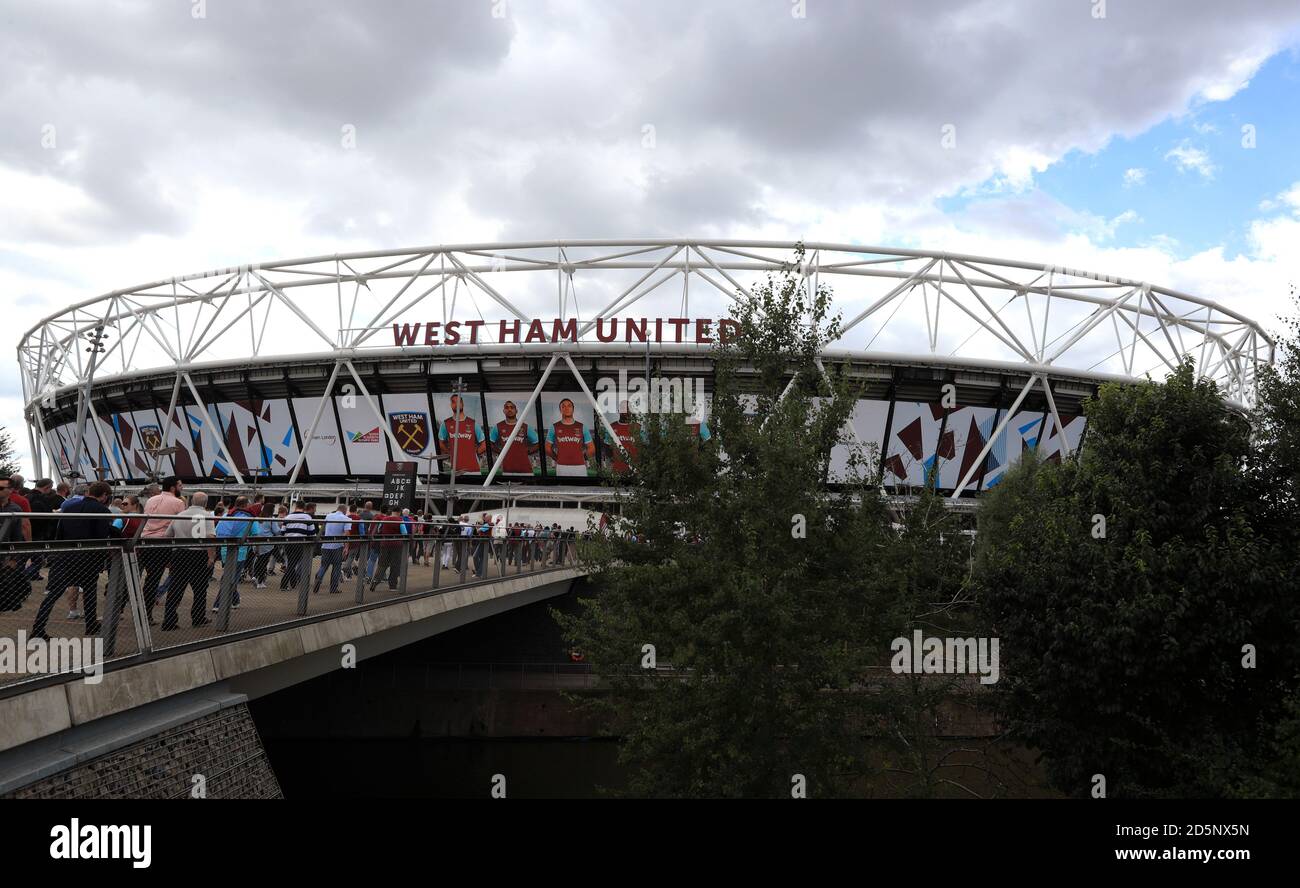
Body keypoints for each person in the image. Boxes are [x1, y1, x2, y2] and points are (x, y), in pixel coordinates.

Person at [31, 481, 113, 639]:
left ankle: (38, 628)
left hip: (66, 557)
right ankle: (90, 625)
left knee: (53, 595)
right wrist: (101, 559)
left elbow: (59, 533)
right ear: (104, 496)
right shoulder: (102, 510)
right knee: (89, 593)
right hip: (88, 558)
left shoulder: (70, 508)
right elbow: (102, 538)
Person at [161, 492, 213, 630]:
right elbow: (210, 536)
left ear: (191, 501)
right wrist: (211, 556)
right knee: (200, 589)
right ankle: (198, 617)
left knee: (175, 588)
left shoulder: (180, 515)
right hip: (198, 554)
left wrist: (168, 555)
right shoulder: (207, 516)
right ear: (205, 503)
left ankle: (169, 620)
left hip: (179, 553)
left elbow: (167, 535)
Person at [139, 475, 186, 624]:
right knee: (168, 577)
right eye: (180, 485)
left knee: (149, 579)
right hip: (163, 543)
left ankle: (145, 613)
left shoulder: (151, 500)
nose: (182, 488)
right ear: (173, 487)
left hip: (145, 540)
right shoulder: (178, 502)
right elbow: (179, 525)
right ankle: (163, 617)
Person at [213, 496, 256, 611]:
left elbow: (217, 531)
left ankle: (235, 600)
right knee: (230, 578)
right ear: (246, 505)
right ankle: (218, 604)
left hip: (224, 550)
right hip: (240, 552)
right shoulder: (249, 518)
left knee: (231, 576)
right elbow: (256, 533)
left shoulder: (227, 515)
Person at [0, 478, 33, 612]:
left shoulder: (15, 508)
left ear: (11, 490)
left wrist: (14, 558)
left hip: (5, 555)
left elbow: (17, 535)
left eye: (2, 488)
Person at [438, 394, 486, 475]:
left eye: (458, 402)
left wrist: (474, 453)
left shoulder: (472, 423)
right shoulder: (446, 423)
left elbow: (484, 444)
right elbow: (440, 443)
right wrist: (450, 453)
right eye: (453, 402)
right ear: (451, 405)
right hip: (456, 469)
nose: (456, 404)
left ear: (462, 404)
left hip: (473, 469)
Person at [546, 398, 594, 477]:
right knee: (563, 489)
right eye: (563, 406)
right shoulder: (554, 427)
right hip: (562, 467)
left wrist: (582, 458)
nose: (566, 408)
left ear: (573, 409)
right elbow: (547, 448)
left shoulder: (582, 426)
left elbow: (592, 449)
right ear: (560, 410)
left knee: (582, 489)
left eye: (569, 406)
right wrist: (557, 458)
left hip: (580, 467)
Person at [489, 400, 539, 475]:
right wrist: (500, 452)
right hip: (507, 470)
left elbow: (538, 443)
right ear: (504, 411)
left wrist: (528, 451)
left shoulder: (525, 426)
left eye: (512, 407)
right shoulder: (498, 426)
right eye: (507, 407)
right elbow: (489, 443)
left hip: (526, 470)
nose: (509, 409)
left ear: (516, 411)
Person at [313, 502, 351, 594]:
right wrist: (346, 547)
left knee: (324, 565)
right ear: (345, 510)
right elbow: (347, 533)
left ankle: (319, 577)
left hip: (325, 545)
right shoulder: (346, 519)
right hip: (337, 546)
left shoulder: (328, 516)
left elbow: (323, 529)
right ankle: (333, 588)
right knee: (336, 567)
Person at [280, 501, 316, 590]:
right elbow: (312, 533)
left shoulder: (288, 517)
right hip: (300, 542)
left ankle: (293, 582)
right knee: (293, 563)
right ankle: (284, 584)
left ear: (295, 506)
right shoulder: (307, 517)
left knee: (291, 562)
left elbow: (282, 532)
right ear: (304, 507)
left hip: (288, 542)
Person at [368, 507, 405, 592]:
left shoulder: (384, 520)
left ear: (392, 512)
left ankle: (375, 581)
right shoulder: (400, 521)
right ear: (399, 512)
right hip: (396, 545)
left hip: (384, 544)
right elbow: (404, 533)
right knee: (395, 565)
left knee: (382, 564)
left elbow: (379, 530)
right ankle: (392, 585)